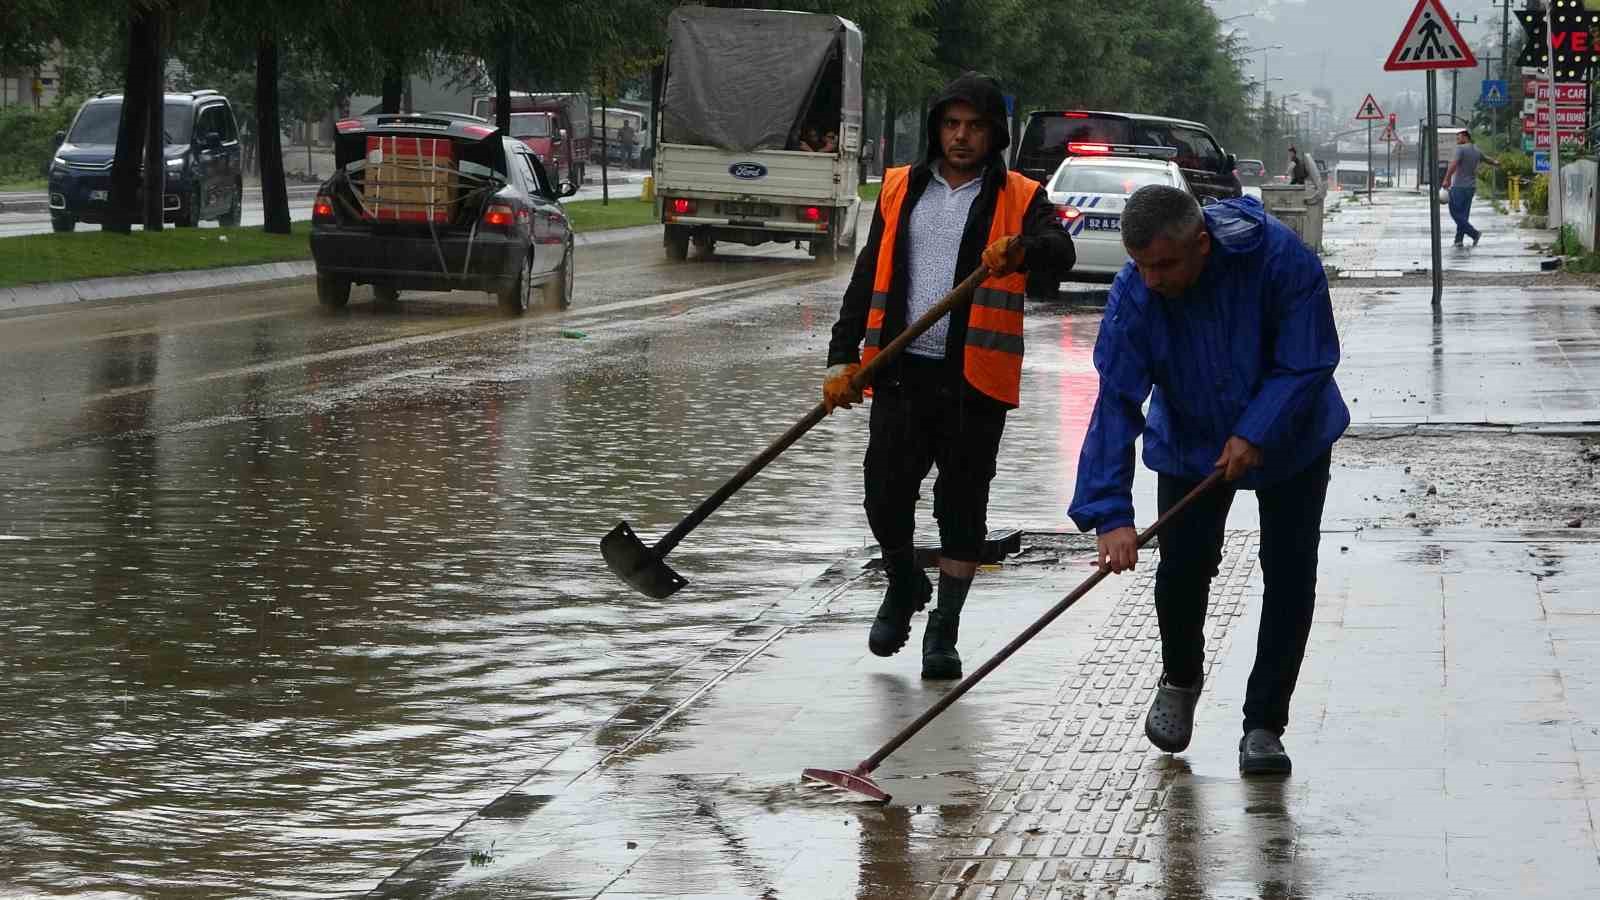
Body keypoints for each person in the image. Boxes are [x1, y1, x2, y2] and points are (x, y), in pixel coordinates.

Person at [1068, 185, 1348, 775]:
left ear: (1202, 244)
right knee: (1183, 567)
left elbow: (1309, 358)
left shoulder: (1279, 259)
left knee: (1290, 571)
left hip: (1292, 431)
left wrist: (1258, 430)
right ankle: (1180, 675)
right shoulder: (1135, 294)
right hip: (1190, 434)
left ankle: (1265, 724)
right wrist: (1111, 515)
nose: (1152, 279)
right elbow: (1115, 401)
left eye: (1165, 265)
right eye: (1140, 265)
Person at [822, 72, 1076, 680]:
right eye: (951, 124)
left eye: (975, 126)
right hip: (900, 371)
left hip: (975, 382)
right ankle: (905, 580)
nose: (961, 137)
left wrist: (1021, 251)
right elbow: (867, 275)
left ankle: (945, 629)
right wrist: (841, 357)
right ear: (936, 128)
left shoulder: (1020, 196)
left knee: (961, 510)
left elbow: (1059, 254)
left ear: (995, 134)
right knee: (884, 495)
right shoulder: (900, 189)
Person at [1443, 129, 1500, 247]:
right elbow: (1486, 159)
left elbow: (1453, 164)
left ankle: (1474, 233)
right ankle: (1458, 240)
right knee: (1463, 214)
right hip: (1471, 187)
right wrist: (1496, 162)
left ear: (1465, 137)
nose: (1457, 140)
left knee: (1454, 212)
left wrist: (1447, 179)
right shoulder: (1476, 150)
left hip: (1459, 186)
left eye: (1459, 138)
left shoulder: (1461, 149)